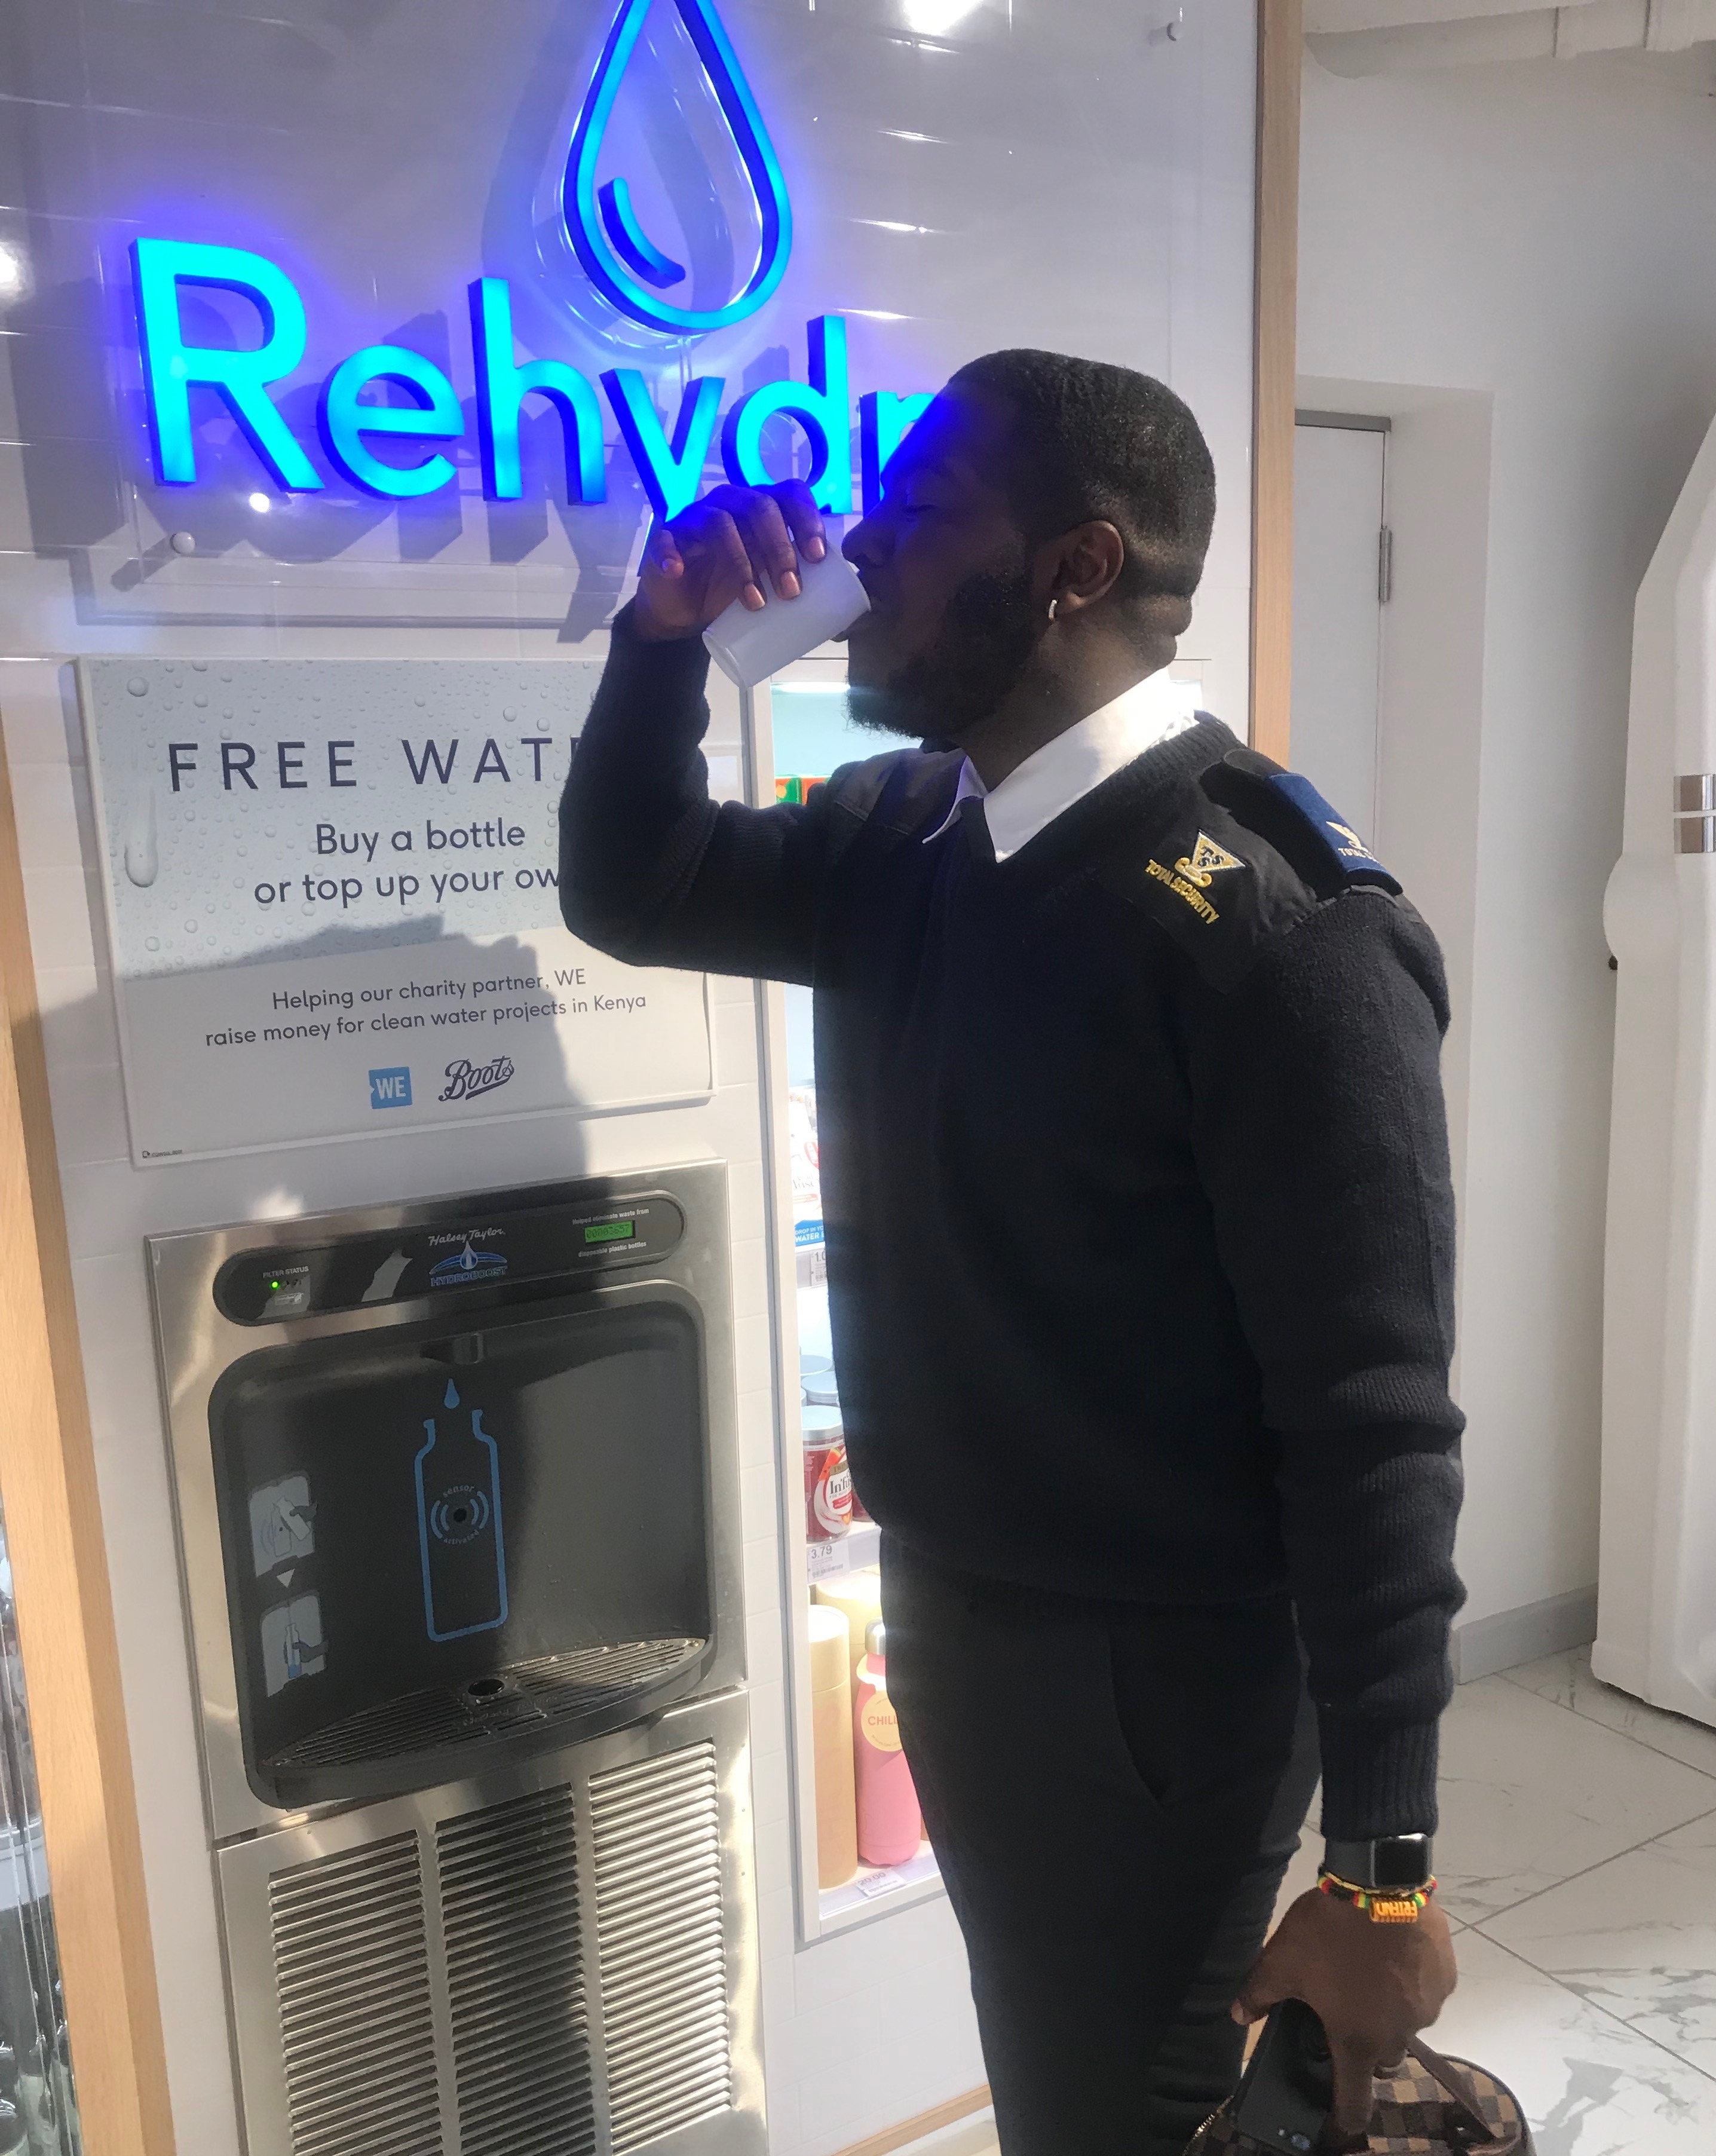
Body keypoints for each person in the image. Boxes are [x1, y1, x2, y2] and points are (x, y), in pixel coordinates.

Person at [560, 350, 1463, 2156]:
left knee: (1112, 2111)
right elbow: (633, 884)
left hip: (1153, 1684)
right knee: (1060, 2077)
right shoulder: (917, 837)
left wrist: (1382, 1871)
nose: (859, 552)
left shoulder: (1275, 935)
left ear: (1070, 566)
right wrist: (662, 638)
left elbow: (1374, 1422)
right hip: (965, 1612)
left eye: (915, 517)